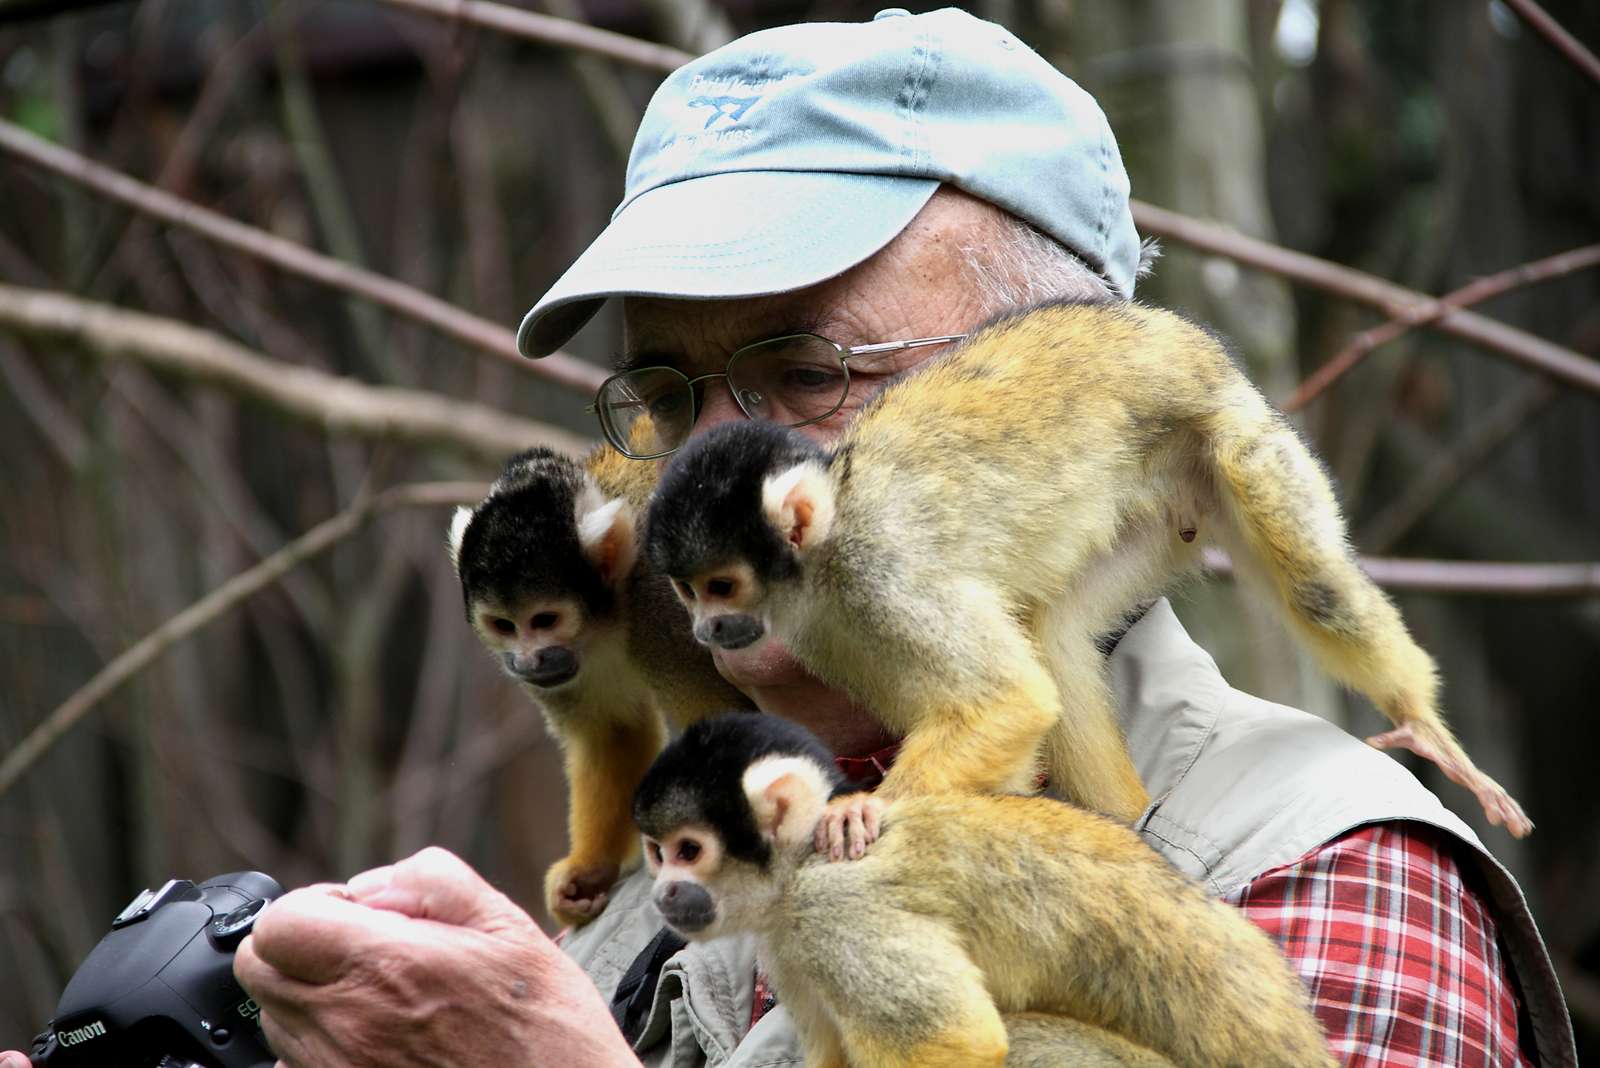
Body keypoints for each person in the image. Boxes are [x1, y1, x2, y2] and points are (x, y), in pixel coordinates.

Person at [2, 9, 1572, 1068]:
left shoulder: (1324, 869)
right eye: (673, 388)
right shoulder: (678, 852)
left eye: (815, 369)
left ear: (1076, 403)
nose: (716, 456)